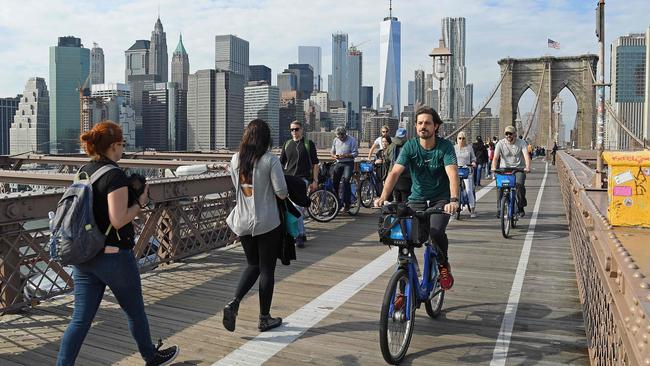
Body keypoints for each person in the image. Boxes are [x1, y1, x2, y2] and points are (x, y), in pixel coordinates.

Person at [57, 121, 179, 366]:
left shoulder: (84, 171)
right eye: (122, 144)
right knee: (134, 311)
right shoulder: (114, 176)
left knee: (80, 320)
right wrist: (141, 203)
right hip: (114, 257)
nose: (123, 149)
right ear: (113, 146)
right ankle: (151, 356)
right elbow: (118, 218)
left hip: (85, 255)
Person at [375, 107, 459, 291]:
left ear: (435, 126)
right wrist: (383, 197)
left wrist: (453, 200)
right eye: (420, 123)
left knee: (436, 232)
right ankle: (403, 288)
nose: (423, 126)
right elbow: (395, 172)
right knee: (404, 238)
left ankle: (443, 264)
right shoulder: (410, 146)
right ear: (415, 126)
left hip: (440, 200)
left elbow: (452, 173)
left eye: (427, 123)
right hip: (417, 199)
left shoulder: (445, 147)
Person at [224, 119, 288, 333]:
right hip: (267, 221)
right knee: (267, 269)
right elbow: (281, 192)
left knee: (253, 264)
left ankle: (234, 302)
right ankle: (264, 318)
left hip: (243, 221)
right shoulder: (270, 160)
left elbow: (238, 188)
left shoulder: (235, 160)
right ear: (266, 138)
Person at [280, 120, 319, 248]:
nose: (294, 132)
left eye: (296, 129)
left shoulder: (308, 144)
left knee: (296, 207)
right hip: (288, 179)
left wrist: (315, 180)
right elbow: (280, 163)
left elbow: (315, 164)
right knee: (293, 208)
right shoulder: (287, 144)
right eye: (292, 130)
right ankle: (301, 233)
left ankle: (299, 235)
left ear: (302, 130)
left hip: (302, 180)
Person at [491, 125, 531, 218]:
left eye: (510, 133)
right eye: (506, 133)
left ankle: (520, 206)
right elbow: (495, 157)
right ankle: (499, 209)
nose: (508, 135)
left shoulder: (522, 143)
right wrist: (494, 168)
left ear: (515, 134)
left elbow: (526, 156)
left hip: (518, 169)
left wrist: (527, 167)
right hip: (504, 169)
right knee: (500, 187)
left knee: (519, 185)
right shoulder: (500, 143)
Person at [331, 126, 358, 212]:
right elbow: (332, 151)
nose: (341, 137)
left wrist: (345, 155)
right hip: (338, 162)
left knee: (346, 181)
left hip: (348, 162)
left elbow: (355, 153)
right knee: (334, 182)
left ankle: (347, 203)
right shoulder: (335, 140)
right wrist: (334, 156)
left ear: (345, 133)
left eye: (342, 135)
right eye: (339, 135)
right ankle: (336, 202)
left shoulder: (352, 140)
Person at [383, 127, 412, 203]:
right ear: (405, 136)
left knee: (396, 200)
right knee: (406, 201)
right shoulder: (410, 146)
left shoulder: (390, 146)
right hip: (407, 177)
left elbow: (386, 161)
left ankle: (398, 213)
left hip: (394, 177)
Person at [455, 131, 477, 218]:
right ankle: (454, 208)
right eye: (460, 138)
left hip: (467, 170)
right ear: (457, 139)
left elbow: (473, 158)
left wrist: (473, 162)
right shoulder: (454, 148)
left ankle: (472, 210)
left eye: (463, 138)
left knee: (469, 189)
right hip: (456, 170)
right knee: (453, 189)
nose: (461, 140)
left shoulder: (469, 148)